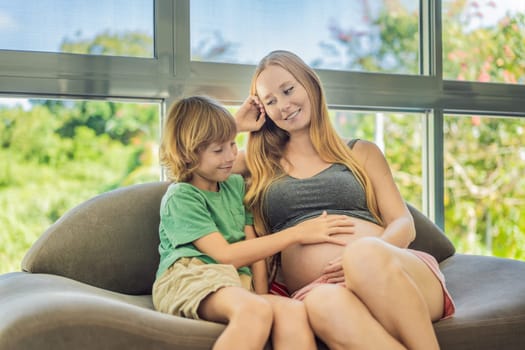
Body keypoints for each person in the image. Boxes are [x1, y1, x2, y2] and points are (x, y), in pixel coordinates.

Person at [234, 50, 455, 350]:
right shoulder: (259, 163)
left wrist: (361, 260)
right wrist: (235, 126)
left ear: (310, 85)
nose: (283, 106)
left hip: (395, 275)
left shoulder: (361, 152)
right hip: (319, 290)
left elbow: (403, 223)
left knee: (362, 254)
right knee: (321, 304)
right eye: (270, 101)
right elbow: (187, 165)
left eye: (288, 90)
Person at [151, 95, 355, 350]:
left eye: (232, 144)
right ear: (187, 154)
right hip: (191, 277)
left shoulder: (234, 186)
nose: (229, 156)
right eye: (218, 150)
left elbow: (253, 246)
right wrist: (297, 234)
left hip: (234, 281)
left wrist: (262, 292)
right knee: (255, 311)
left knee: (292, 311)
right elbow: (226, 255)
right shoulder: (182, 195)